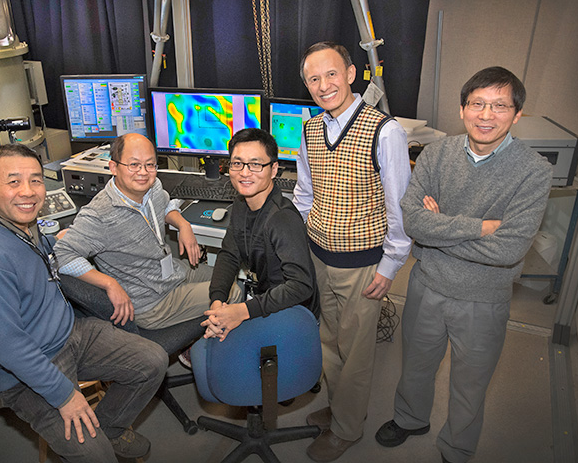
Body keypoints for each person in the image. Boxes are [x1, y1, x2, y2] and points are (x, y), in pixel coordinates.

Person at [375, 67, 553, 463]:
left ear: (516, 114)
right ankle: (410, 419)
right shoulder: (437, 153)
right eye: (477, 104)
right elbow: (412, 221)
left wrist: (439, 231)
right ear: (462, 109)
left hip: (483, 298)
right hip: (425, 285)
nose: (486, 115)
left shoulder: (534, 171)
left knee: (470, 384)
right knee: (416, 365)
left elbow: (509, 248)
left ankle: (456, 447)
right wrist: (480, 228)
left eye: (499, 106)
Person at [0, 144, 168, 463]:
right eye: (13, 182)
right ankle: (101, 443)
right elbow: (10, 348)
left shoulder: (17, 222)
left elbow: (35, 255)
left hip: (67, 333)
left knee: (152, 360)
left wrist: (57, 243)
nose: (28, 192)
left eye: (36, 180)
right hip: (24, 370)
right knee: (98, 457)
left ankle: (107, 427)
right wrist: (65, 396)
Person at [292, 41, 412, 462]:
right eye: (313, 79)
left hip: (363, 262)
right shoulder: (309, 129)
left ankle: (347, 428)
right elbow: (305, 193)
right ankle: (339, 406)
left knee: (357, 350)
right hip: (319, 254)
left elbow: (399, 205)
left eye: (330, 74)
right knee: (327, 339)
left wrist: (391, 265)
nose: (323, 85)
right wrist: (302, 235)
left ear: (351, 73)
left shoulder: (386, 131)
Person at [54, 133, 240, 330]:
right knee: (232, 291)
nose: (143, 172)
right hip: (152, 302)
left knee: (227, 275)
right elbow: (63, 255)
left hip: (172, 274)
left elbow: (165, 205)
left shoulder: (152, 187)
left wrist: (183, 225)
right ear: (113, 167)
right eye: (133, 165)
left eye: (150, 164)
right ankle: (208, 348)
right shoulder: (99, 214)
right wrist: (110, 284)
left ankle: (202, 336)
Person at [202, 128, 319, 341]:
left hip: (291, 313)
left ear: (274, 169)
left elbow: (301, 286)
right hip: (265, 301)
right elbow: (229, 254)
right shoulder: (240, 204)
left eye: (256, 164)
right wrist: (217, 302)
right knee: (217, 331)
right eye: (237, 163)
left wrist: (242, 311)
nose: (245, 173)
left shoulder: (282, 219)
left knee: (218, 346)